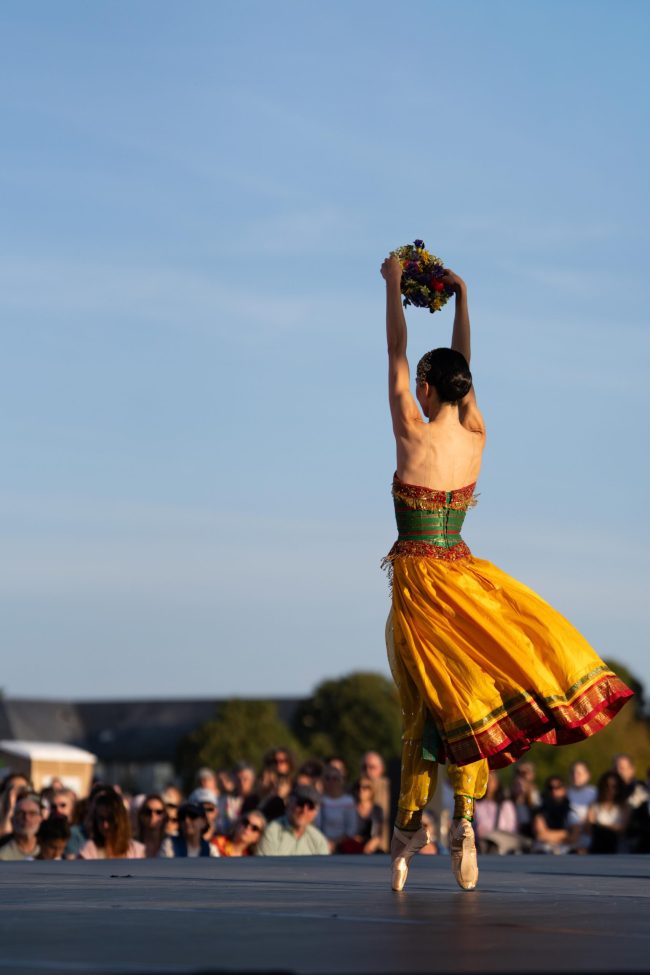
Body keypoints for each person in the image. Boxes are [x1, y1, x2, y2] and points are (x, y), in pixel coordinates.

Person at [380, 254, 633, 892]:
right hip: (465, 579)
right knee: (469, 699)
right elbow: (461, 371)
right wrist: (461, 294)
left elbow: (396, 353)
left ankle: (413, 822)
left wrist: (391, 285)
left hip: (419, 591)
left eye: (423, 385)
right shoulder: (475, 432)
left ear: (429, 390)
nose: (416, 390)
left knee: (422, 709)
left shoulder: (413, 432)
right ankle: (463, 816)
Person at [256, 786, 329, 856]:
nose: (304, 811)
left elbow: (324, 868)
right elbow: (267, 867)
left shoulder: (319, 840)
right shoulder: (272, 832)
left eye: (311, 806)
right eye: (300, 803)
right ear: (288, 803)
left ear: (316, 812)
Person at [79, 787, 145, 860]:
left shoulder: (137, 851)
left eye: (110, 819)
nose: (105, 825)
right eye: (101, 819)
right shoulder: (89, 850)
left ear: (120, 819)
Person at [473, 772, 520, 854]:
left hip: (502, 849)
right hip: (482, 848)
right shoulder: (476, 805)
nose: (487, 783)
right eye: (484, 780)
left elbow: (512, 829)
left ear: (497, 783)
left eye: (490, 780)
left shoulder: (506, 805)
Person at [531, 777, 580, 854]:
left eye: (558, 787)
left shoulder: (571, 812)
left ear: (564, 790)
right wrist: (566, 833)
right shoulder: (540, 812)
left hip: (566, 855)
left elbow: (574, 837)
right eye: (550, 788)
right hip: (543, 854)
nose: (554, 791)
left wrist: (550, 835)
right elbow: (541, 835)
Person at [317, 764, 357, 852]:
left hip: (344, 846)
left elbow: (351, 829)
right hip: (322, 843)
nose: (331, 781)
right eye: (327, 778)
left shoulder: (348, 801)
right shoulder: (320, 800)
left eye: (335, 778)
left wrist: (335, 843)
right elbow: (317, 826)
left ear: (341, 781)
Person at [587, 772, 630, 853]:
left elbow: (622, 829)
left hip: (617, 846)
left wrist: (602, 826)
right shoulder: (595, 805)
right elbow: (589, 827)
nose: (610, 790)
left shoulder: (624, 806)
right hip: (598, 844)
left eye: (614, 787)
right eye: (606, 786)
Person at [0, 792, 44, 860]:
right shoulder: (2, 851)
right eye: (20, 813)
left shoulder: (49, 846)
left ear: (40, 818)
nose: (26, 818)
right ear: (12, 820)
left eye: (32, 813)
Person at [136, 794, 168, 858]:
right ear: (141, 815)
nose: (153, 816)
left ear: (165, 816)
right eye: (148, 811)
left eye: (159, 812)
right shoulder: (133, 844)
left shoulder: (171, 843)